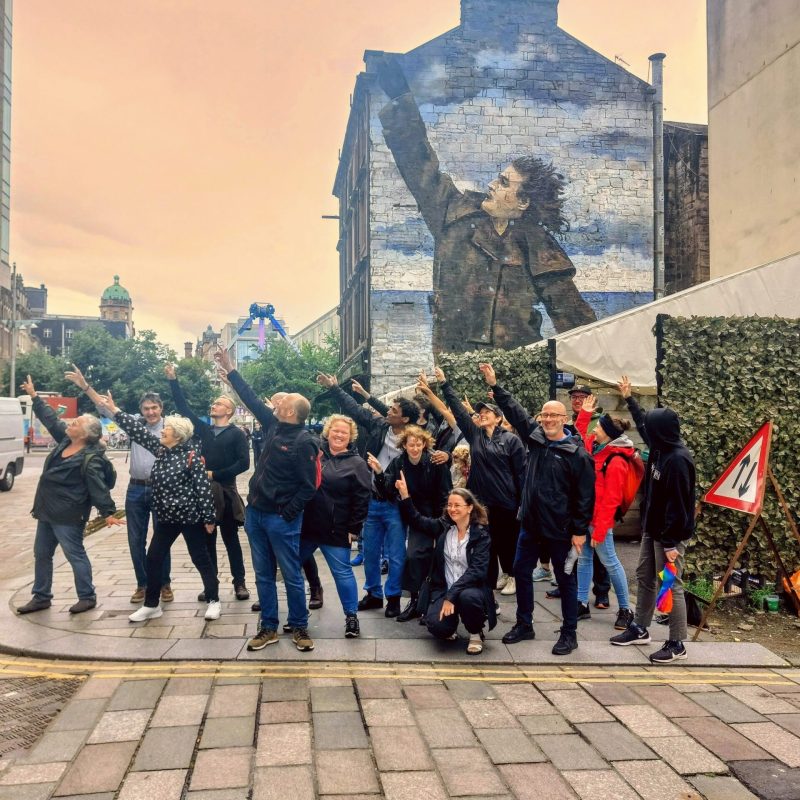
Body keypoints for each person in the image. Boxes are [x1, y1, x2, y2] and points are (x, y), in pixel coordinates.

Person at [375, 56, 596, 352]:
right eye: (497, 178)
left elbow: (577, 323)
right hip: (454, 367)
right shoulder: (453, 213)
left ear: (523, 202)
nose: (492, 185)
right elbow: (419, 165)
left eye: (504, 183)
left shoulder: (539, 246)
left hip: (516, 370)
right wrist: (401, 100)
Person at [77, 382, 221, 622]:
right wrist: (116, 410)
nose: (161, 432)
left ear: (177, 435)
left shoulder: (192, 458)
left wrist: (208, 519)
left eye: (167, 430)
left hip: (190, 518)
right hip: (166, 519)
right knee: (154, 558)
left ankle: (214, 600)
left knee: (200, 558)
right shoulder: (161, 451)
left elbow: (203, 490)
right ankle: (152, 605)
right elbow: (136, 430)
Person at [479, 363, 595, 655]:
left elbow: (585, 497)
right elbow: (515, 411)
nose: (549, 419)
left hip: (560, 529)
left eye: (554, 415)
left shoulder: (577, 454)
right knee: (521, 571)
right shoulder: (536, 437)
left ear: (564, 419)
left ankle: (569, 633)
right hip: (530, 524)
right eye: (545, 415)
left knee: (565, 579)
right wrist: (494, 385)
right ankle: (524, 623)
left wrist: (579, 531)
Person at [217, 350, 319, 653]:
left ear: (291, 412)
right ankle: (268, 627)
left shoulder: (304, 441)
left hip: (281, 518)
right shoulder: (273, 425)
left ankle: (299, 626)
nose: (277, 403)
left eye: (283, 402)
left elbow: (309, 486)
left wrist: (288, 513)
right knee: (263, 574)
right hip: (256, 515)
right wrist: (231, 369)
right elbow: (250, 398)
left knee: (291, 574)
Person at [16, 375, 123, 615]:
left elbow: (98, 487)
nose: (69, 424)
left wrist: (108, 512)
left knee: (74, 554)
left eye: (75, 423)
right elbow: (51, 419)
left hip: (69, 515)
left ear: (84, 434)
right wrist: (34, 397)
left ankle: (87, 596)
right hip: (47, 510)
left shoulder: (91, 459)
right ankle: (41, 596)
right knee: (42, 554)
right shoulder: (66, 441)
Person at [316, 372, 418, 618]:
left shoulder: (415, 439)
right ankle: (373, 594)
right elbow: (356, 410)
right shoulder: (381, 426)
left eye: (393, 410)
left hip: (395, 503)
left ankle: (393, 596)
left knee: (396, 554)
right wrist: (334, 388)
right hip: (372, 500)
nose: (388, 411)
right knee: (370, 552)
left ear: (404, 418)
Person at [611, 376, 696, 664]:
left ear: (662, 431)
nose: (648, 431)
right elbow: (644, 425)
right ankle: (640, 628)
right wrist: (629, 399)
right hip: (653, 529)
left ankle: (677, 642)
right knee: (645, 577)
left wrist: (671, 543)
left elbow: (680, 506)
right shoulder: (660, 447)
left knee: (669, 584)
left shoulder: (678, 460)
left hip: (670, 535)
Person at [433, 366, 527, 599]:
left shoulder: (511, 440)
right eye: (480, 412)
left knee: (507, 542)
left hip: (506, 502)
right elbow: (458, 411)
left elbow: (521, 474)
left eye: (488, 412)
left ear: (499, 417)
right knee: (486, 544)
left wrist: (522, 504)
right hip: (481, 503)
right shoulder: (475, 436)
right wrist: (444, 383)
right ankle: (490, 587)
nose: (482, 414)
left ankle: (512, 575)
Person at [165, 364, 251, 601]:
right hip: (205, 495)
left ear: (229, 410)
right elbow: (184, 408)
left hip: (227, 491)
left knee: (231, 540)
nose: (213, 405)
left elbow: (244, 463)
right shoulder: (204, 430)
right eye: (214, 403)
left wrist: (215, 474)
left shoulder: (237, 434)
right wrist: (173, 380)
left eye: (219, 403)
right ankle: (211, 585)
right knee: (207, 541)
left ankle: (240, 583)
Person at [396, 477, 496, 654]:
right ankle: (450, 626)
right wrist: (405, 495)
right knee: (437, 627)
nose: (452, 509)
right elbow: (417, 520)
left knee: (468, 599)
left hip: (470, 589)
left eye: (457, 505)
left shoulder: (480, 534)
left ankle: (475, 633)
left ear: (469, 508)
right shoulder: (444, 527)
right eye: (449, 505)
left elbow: (477, 571)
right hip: (444, 589)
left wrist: (451, 596)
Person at [370, 424, 452, 622]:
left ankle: (425, 601)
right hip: (406, 511)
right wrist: (379, 473)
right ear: (404, 446)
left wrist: (440, 524)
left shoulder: (435, 463)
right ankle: (414, 600)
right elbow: (387, 490)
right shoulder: (399, 462)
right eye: (411, 444)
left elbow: (445, 494)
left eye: (418, 444)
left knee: (420, 555)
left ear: (424, 444)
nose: (415, 448)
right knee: (408, 556)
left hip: (429, 514)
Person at [300, 414, 372, 638]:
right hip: (306, 526)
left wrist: (354, 528)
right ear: (328, 432)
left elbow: (362, 497)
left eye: (344, 432)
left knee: (342, 573)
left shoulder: (357, 463)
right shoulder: (315, 454)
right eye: (336, 430)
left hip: (336, 528)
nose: (339, 435)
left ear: (351, 437)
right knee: (291, 568)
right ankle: (297, 615)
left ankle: (351, 617)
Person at [546, 384, 611, 607]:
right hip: (570, 493)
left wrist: (585, 416)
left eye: (582, 396)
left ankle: (602, 591)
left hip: (592, 493)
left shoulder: (599, 422)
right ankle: (569, 586)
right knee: (572, 546)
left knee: (597, 548)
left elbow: (584, 448)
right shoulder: (568, 421)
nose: (577, 400)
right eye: (574, 396)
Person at [574, 394, 635, 630]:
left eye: (598, 427)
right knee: (584, 560)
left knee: (610, 563)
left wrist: (600, 529)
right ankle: (581, 603)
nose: (594, 430)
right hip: (586, 516)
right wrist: (585, 414)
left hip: (599, 521)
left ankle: (625, 609)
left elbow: (612, 500)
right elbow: (579, 437)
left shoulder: (616, 460)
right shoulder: (597, 448)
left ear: (608, 434)